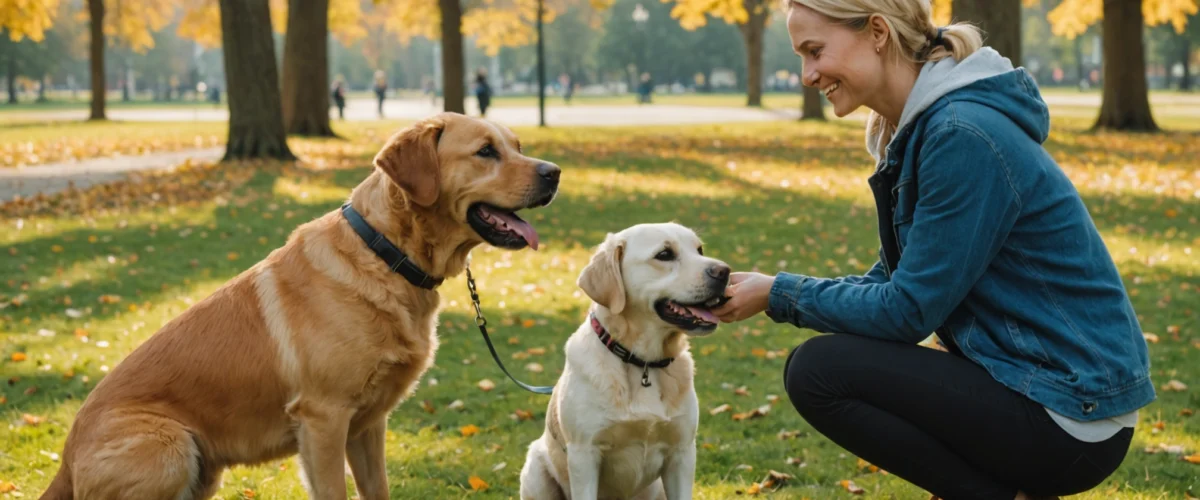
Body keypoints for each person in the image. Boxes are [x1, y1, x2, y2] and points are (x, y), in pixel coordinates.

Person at [710, 1, 1154, 499]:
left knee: (818, 372)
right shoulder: (923, 130)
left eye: (815, 51)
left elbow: (907, 311)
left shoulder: (960, 133)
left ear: (877, 31)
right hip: (1037, 387)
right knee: (818, 366)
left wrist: (779, 294)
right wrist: (770, 288)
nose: (807, 75)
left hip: (1070, 409)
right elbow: (892, 280)